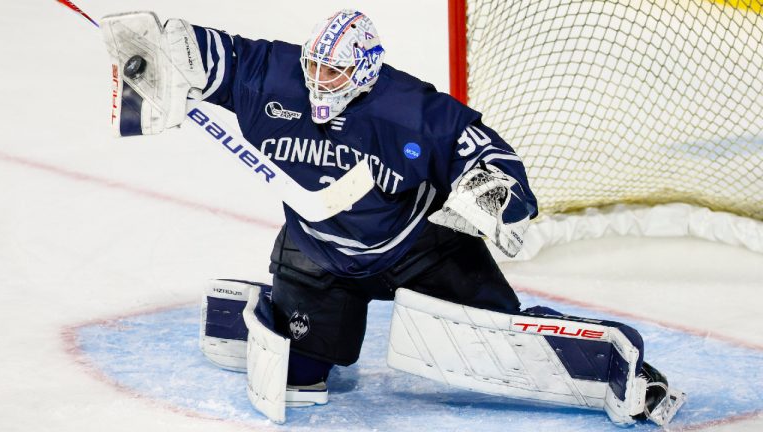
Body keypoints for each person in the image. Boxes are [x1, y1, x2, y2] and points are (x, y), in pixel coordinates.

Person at [100, 9, 684, 426]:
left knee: (502, 345)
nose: (317, 82)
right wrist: (154, 61)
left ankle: (625, 370)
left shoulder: (412, 109)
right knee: (299, 380)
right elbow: (202, 51)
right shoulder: (274, 79)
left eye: (333, 73)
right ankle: (287, 316)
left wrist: (495, 195)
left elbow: (488, 154)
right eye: (313, 67)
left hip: (419, 248)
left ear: (365, 70)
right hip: (319, 253)